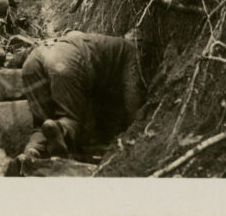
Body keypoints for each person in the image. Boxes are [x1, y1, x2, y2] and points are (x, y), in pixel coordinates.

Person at [19, 30, 144, 159]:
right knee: (71, 118)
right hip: (63, 61)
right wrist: (135, 128)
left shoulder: (102, 42)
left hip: (33, 59)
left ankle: (33, 150)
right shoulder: (130, 49)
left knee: (41, 123)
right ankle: (62, 128)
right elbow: (132, 95)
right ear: (138, 43)